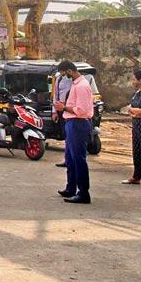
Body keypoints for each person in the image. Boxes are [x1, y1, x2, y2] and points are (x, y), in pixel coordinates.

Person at [55, 60, 94, 204]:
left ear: (70, 71)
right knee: (70, 159)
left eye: (64, 73)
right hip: (71, 122)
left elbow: (82, 110)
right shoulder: (76, 84)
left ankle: (83, 192)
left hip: (78, 123)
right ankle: (71, 188)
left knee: (78, 159)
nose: (64, 76)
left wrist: (64, 108)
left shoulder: (82, 86)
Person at [53, 67, 72, 168]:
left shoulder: (74, 80)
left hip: (71, 109)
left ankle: (72, 159)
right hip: (61, 110)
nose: (61, 73)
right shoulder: (59, 78)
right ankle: (67, 159)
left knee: (71, 136)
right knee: (66, 135)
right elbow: (56, 95)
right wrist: (54, 111)